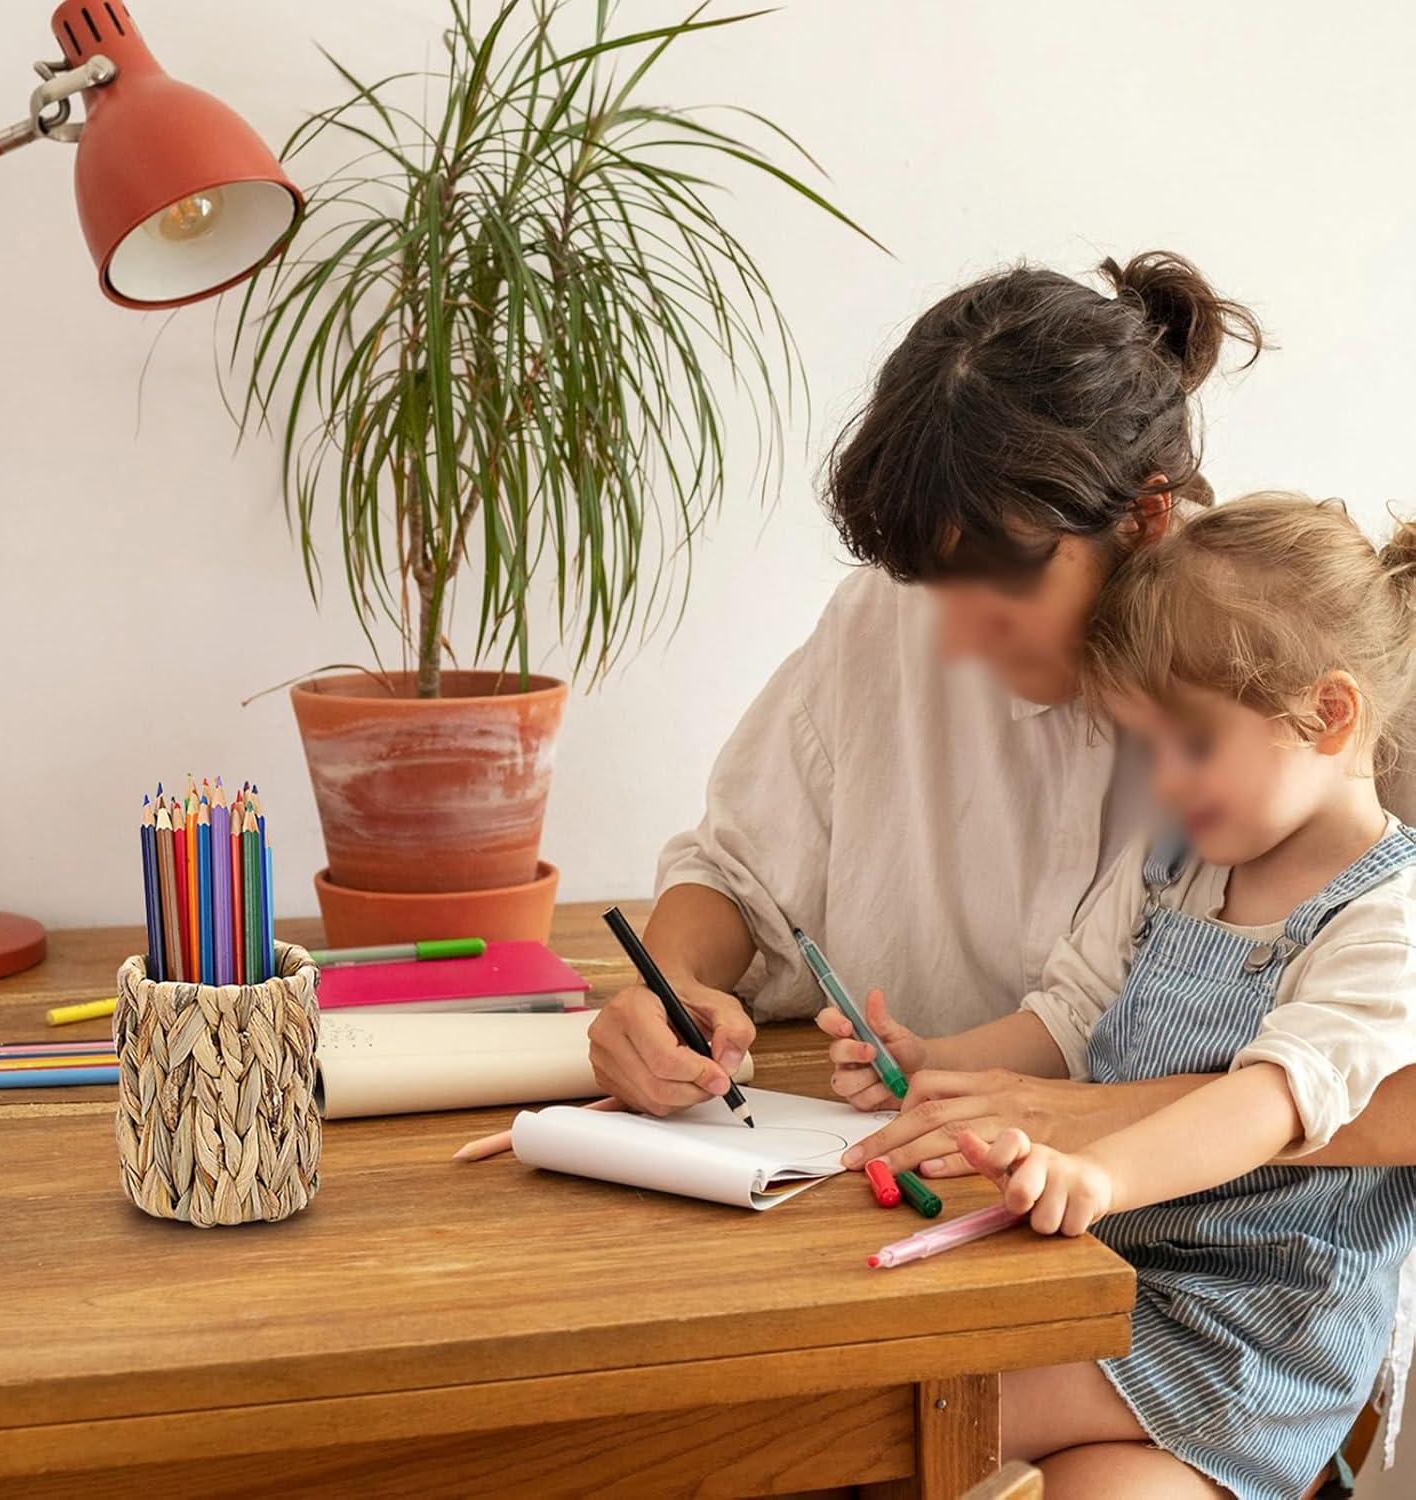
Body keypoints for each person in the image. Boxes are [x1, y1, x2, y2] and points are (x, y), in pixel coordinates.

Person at [587, 250, 1416, 1172]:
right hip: (954, 1171)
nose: (957, 638)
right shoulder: (888, 616)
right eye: (935, 585)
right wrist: (670, 990)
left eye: (1002, 582)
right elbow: (739, 868)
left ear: (1143, 516)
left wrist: (1082, 1119)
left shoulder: (1291, 666)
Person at [823, 494, 1416, 1498]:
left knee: (906, 1419)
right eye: (1148, 748)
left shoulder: (1386, 919)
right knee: (992, 1446)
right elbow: (1072, 1010)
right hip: (1110, 1287)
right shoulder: (1176, 861)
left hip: (1253, 1339)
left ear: (1328, 713)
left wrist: (1097, 1173)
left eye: (1192, 744)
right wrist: (935, 1059)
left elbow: (1270, 1105)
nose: (1166, 780)